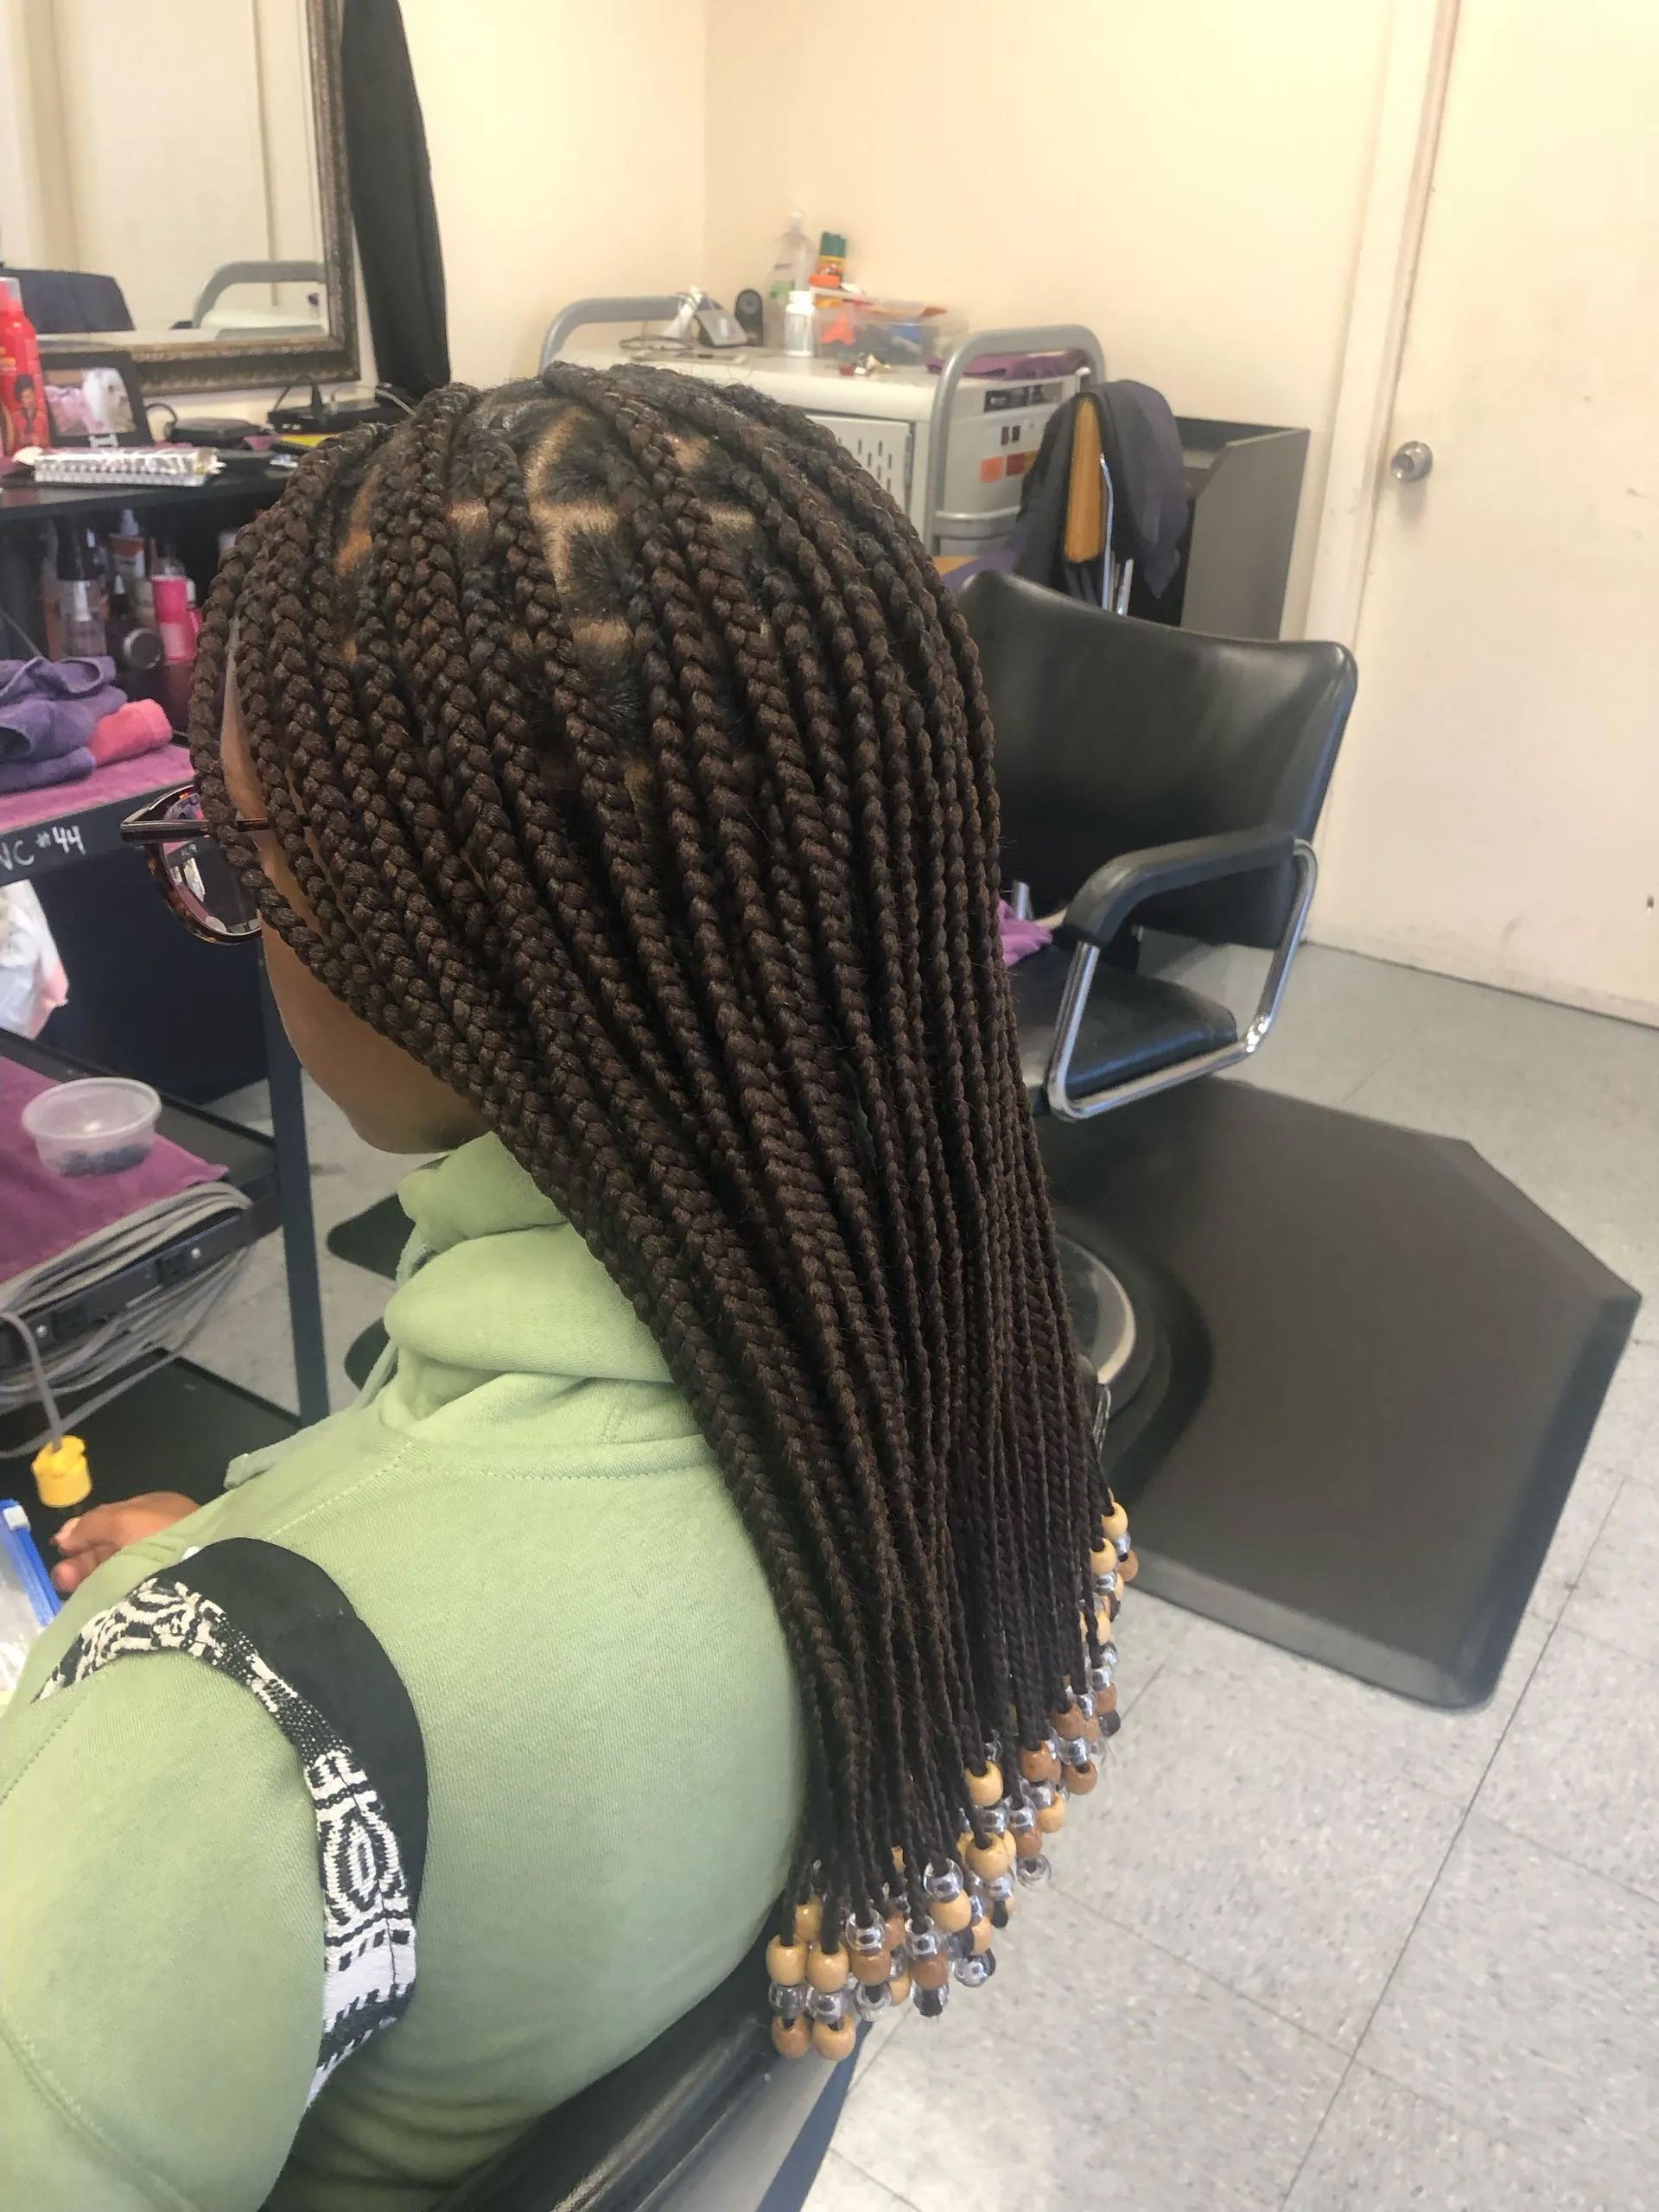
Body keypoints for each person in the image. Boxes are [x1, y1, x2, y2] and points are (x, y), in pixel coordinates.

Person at [0, 366, 1126, 2209]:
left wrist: (203, 1696)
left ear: (443, 923)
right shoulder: (957, 1340)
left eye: (240, 856)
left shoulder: (223, 1734)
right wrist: (273, 1583)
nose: (246, 911)